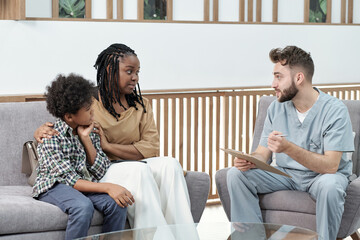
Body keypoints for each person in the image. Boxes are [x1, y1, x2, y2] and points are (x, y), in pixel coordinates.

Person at [34, 44, 195, 231]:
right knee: (139, 171)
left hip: (122, 163)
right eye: (129, 71)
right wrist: (39, 131)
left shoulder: (141, 105)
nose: (135, 77)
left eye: (137, 72)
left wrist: (107, 145)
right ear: (110, 70)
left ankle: (186, 234)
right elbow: (64, 123)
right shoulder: (89, 102)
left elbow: (151, 148)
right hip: (108, 170)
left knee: (171, 164)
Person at [227, 46, 354, 240]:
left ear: (299, 78)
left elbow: (331, 166)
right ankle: (251, 238)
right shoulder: (275, 108)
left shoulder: (335, 111)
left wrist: (288, 148)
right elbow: (262, 153)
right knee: (236, 174)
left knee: (331, 186)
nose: (273, 84)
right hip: (286, 175)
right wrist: (250, 160)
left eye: (279, 77)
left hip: (322, 177)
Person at [33, 74, 130, 240]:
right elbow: (69, 180)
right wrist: (108, 187)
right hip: (54, 186)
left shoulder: (89, 131)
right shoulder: (51, 137)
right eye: (87, 110)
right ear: (70, 116)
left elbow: (101, 170)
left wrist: (86, 140)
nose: (93, 112)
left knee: (117, 205)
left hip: (81, 184)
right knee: (82, 206)